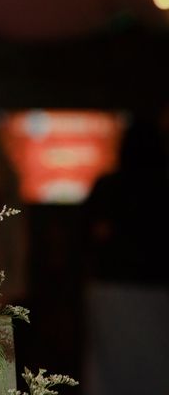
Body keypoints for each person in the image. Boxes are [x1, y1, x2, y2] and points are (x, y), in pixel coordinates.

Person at [82, 115, 169, 394]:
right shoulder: (161, 188)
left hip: (111, 288)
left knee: (110, 367)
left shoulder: (108, 187)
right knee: (156, 365)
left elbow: (85, 236)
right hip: (154, 289)